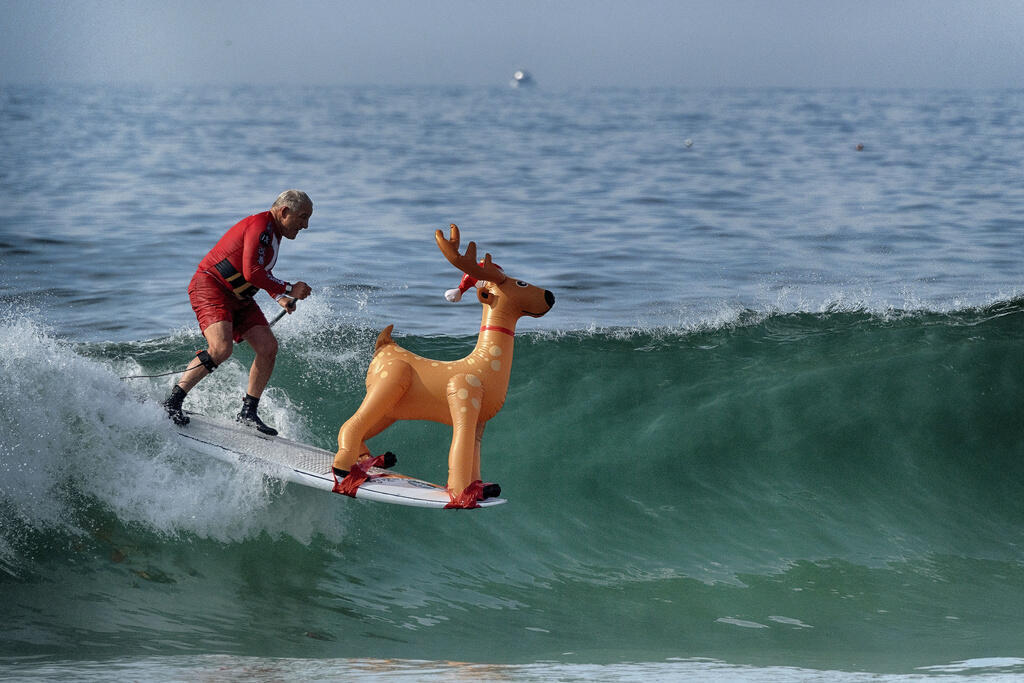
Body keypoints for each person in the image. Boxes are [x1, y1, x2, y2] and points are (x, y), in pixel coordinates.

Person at [162, 190, 313, 435]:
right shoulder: (260, 225)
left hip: (240, 297)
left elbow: (257, 272)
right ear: (284, 212)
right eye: (303, 217)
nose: (305, 225)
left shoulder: (273, 233)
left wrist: (280, 297)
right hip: (211, 287)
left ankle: (248, 413)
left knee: (267, 347)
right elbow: (252, 271)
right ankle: (173, 403)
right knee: (221, 348)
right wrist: (289, 287)